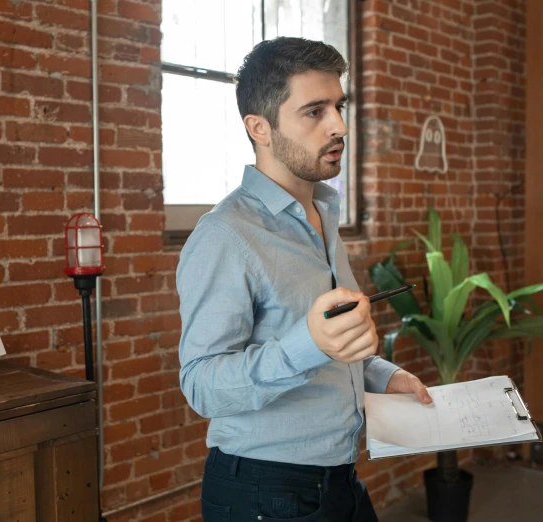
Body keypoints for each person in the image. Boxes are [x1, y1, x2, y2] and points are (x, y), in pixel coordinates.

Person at [176, 37, 434, 522]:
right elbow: (202, 386)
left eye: (339, 106)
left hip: (338, 478)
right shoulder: (226, 235)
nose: (339, 126)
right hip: (263, 489)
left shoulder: (324, 211)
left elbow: (333, 341)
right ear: (260, 128)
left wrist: (384, 375)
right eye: (314, 111)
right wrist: (308, 344)